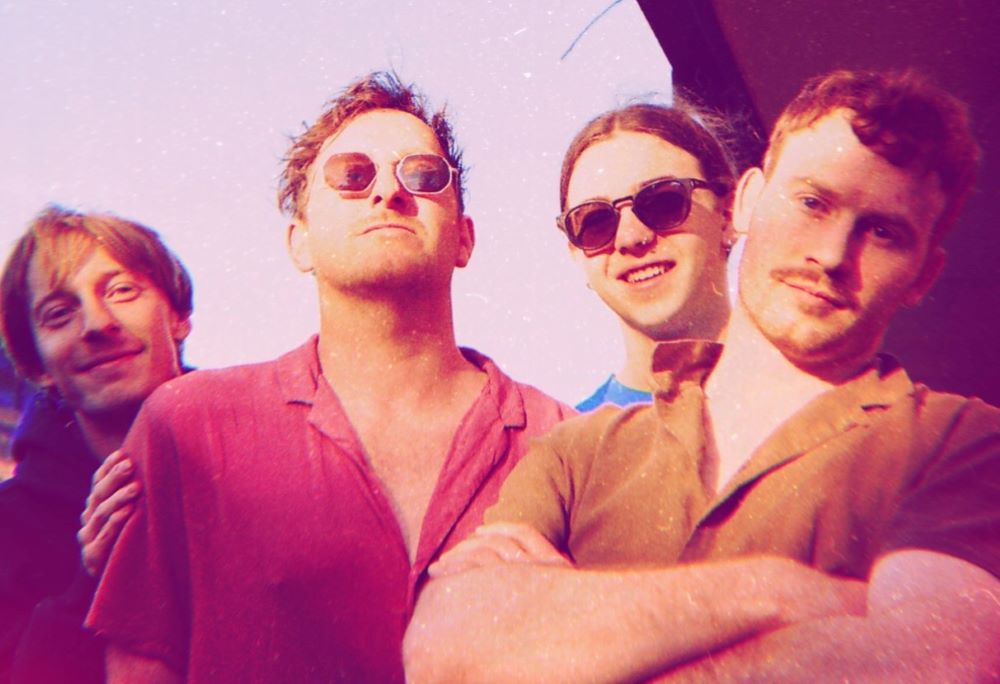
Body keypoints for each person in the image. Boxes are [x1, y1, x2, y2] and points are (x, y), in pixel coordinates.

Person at [405, 68, 1000, 682]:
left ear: (924, 275)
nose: (830, 255)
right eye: (812, 203)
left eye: (883, 232)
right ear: (750, 200)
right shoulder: (577, 453)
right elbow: (444, 651)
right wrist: (779, 591)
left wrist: (567, 635)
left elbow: (928, 665)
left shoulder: (959, 442)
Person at [86, 71, 570, 683]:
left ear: (464, 238)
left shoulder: (562, 439)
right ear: (300, 242)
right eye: (351, 175)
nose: (388, 192)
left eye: (424, 175)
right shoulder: (186, 428)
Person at [0, 206, 194, 683]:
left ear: (178, 317)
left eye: (122, 290)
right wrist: (91, 586)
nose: (96, 322)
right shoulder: (9, 530)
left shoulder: (273, 461)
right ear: (37, 366)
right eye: (58, 314)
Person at [561, 100, 736, 411]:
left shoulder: (817, 395)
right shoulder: (571, 436)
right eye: (595, 222)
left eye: (663, 202)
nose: (631, 238)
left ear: (728, 214)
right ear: (576, 253)